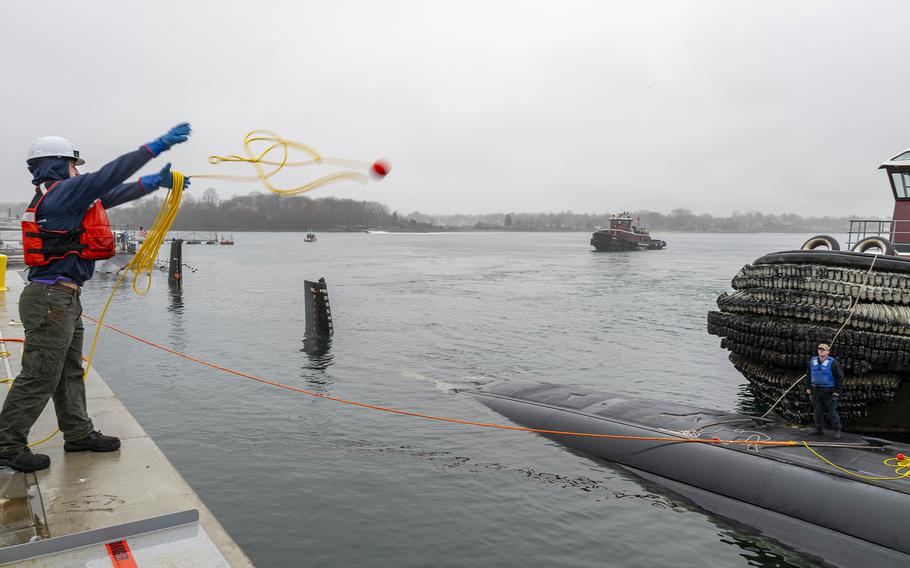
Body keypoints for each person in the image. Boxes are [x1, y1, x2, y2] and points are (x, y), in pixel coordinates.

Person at [0, 123, 192, 472]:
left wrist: (153, 183)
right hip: (50, 299)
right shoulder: (60, 193)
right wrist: (157, 146)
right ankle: (6, 445)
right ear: (57, 163)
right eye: (75, 164)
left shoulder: (63, 195)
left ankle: (77, 433)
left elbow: (109, 194)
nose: (79, 170)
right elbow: (105, 179)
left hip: (63, 299)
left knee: (70, 370)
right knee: (40, 374)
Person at [804, 343, 844, 439]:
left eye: (823, 350)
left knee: (832, 412)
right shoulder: (813, 361)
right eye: (820, 349)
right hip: (816, 391)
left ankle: (837, 430)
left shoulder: (833, 363)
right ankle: (818, 429)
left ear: (828, 352)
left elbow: (840, 377)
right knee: (817, 412)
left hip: (829, 392)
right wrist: (808, 387)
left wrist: (837, 390)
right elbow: (808, 375)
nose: (821, 351)